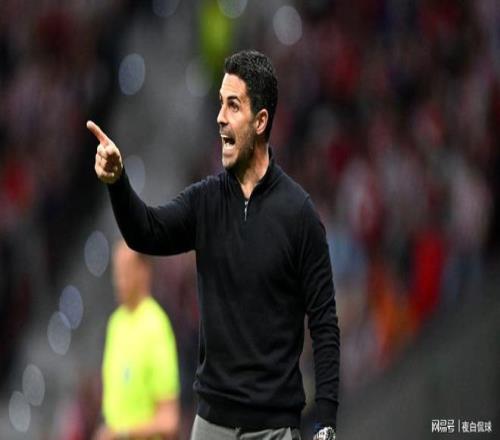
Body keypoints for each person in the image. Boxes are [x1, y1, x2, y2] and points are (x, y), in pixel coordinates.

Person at [88, 50, 340, 440]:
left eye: (233, 105)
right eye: (220, 103)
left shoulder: (299, 215)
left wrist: (325, 422)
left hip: (273, 429)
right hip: (210, 426)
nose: (220, 116)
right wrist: (118, 182)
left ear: (260, 121)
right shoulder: (205, 202)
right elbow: (145, 232)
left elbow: (324, 324)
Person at [93, 240, 180, 440]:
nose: (119, 280)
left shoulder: (156, 326)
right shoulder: (116, 324)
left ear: (143, 271)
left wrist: (122, 433)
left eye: (125, 271)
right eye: (116, 272)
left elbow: (169, 419)